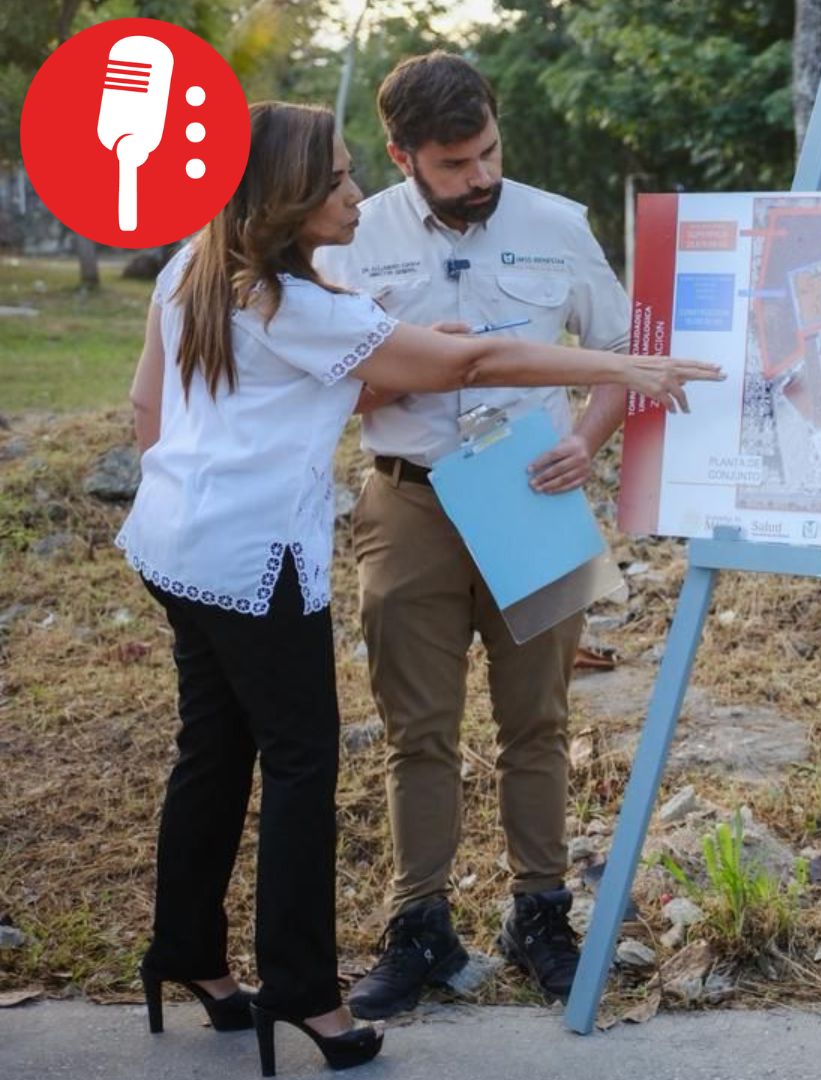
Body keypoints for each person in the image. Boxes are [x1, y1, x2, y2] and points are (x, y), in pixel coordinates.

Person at [119, 101, 719, 1076]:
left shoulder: (195, 262)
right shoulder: (300, 301)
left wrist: (200, 494)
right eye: (339, 179)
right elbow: (472, 359)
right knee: (303, 766)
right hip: (258, 561)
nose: (357, 192)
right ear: (290, 199)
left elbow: (149, 409)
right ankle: (309, 997)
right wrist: (620, 363)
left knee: (213, 754)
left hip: (177, 544)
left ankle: (187, 956)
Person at [309, 52, 633, 1017]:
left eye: (487, 151)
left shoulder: (558, 223)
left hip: (534, 494)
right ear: (403, 155)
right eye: (453, 165)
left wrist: (586, 441)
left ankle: (540, 914)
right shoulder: (352, 241)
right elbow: (323, 387)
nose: (479, 177)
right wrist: (427, 365)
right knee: (420, 731)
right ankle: (420, 927)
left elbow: (614, 358)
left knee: (538, 722)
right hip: (410, 502)